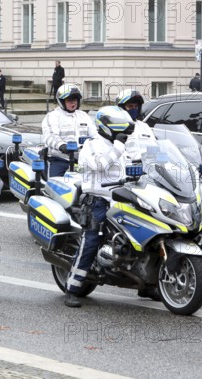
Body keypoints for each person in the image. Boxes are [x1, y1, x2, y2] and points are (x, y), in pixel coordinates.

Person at [64, 106, 134, 307]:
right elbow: (99, 165)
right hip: (97, 200)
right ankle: (72, 287)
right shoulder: (92, 145)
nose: (122, 134)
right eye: (118, 129)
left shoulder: (119, 146)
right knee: (91, 240)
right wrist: (119, 148)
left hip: (121, 198)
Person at [42, 84, 97, 178]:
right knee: (55, 185)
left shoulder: (84, 116)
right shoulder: (53, 116)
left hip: (83, 160)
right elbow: (50, 136)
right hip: (60, 159)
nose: (73, 103)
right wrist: (62, 146)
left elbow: (95, 135)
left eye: (75, 100)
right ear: (61, 102)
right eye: (69, 100)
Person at [115, 89, 156, 161]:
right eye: (130, 106)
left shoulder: (144, 126)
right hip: (128, 169)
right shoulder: (116, 127)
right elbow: (116, 153)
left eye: (136, 106)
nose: (134, 109)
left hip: (148, 168)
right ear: (122, 108)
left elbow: (155, 148)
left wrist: (164, 159)